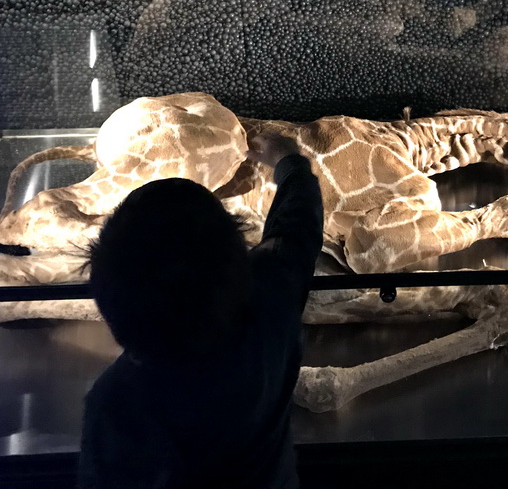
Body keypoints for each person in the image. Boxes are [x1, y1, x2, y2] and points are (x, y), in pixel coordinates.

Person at [78, 131, 324, 489]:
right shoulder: (269, 321)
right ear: (242, 264)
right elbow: (297, 230)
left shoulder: (113, 402)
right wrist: (290, 163)